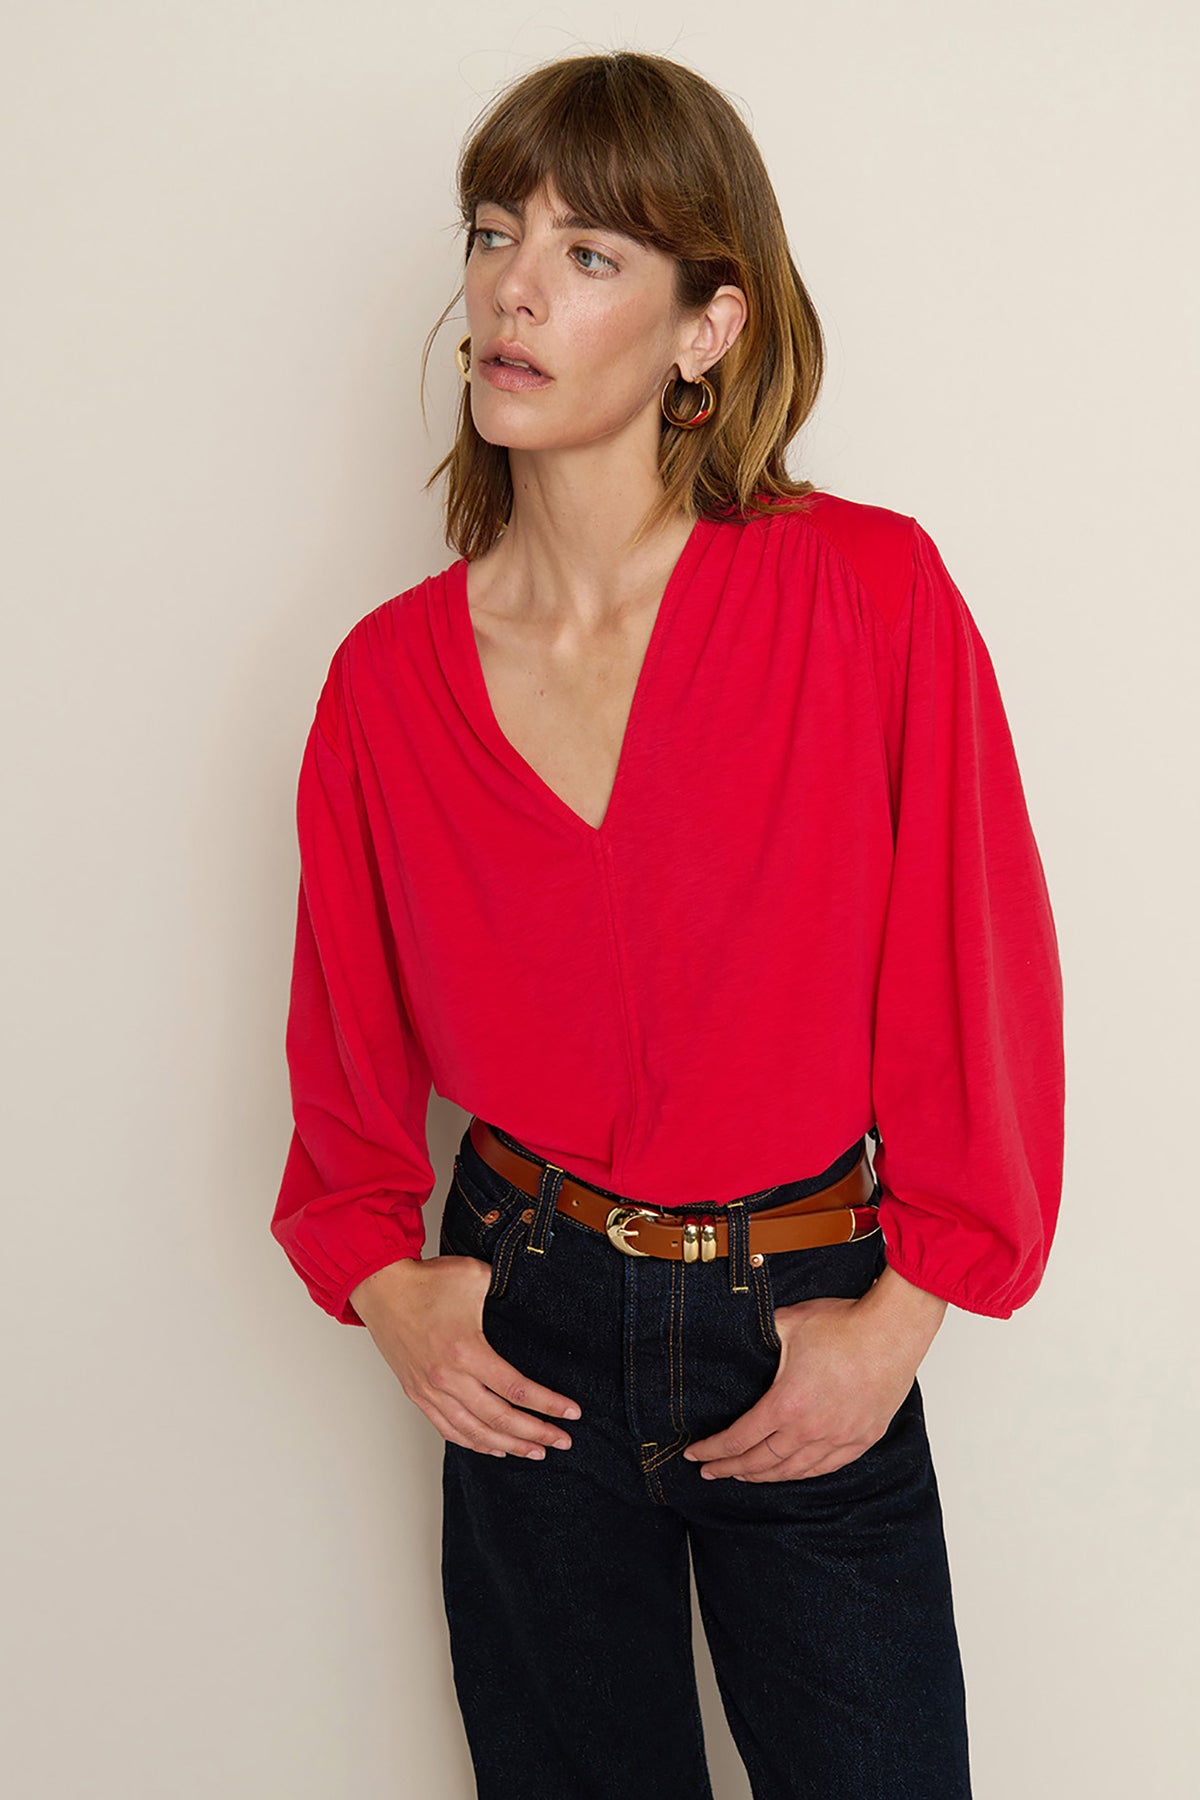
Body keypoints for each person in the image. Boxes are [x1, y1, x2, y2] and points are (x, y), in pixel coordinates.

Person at [270, 48, 1064, 1800]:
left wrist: (905, 1314)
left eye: (591, 252)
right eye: (495, 233)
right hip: (527, 1335)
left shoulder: (866, 598)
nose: (514, 288)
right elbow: (344, 1052)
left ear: (710, 327)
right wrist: (388, 1284)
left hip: (806, 1319)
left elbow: (976, 973)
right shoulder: (386, 686)